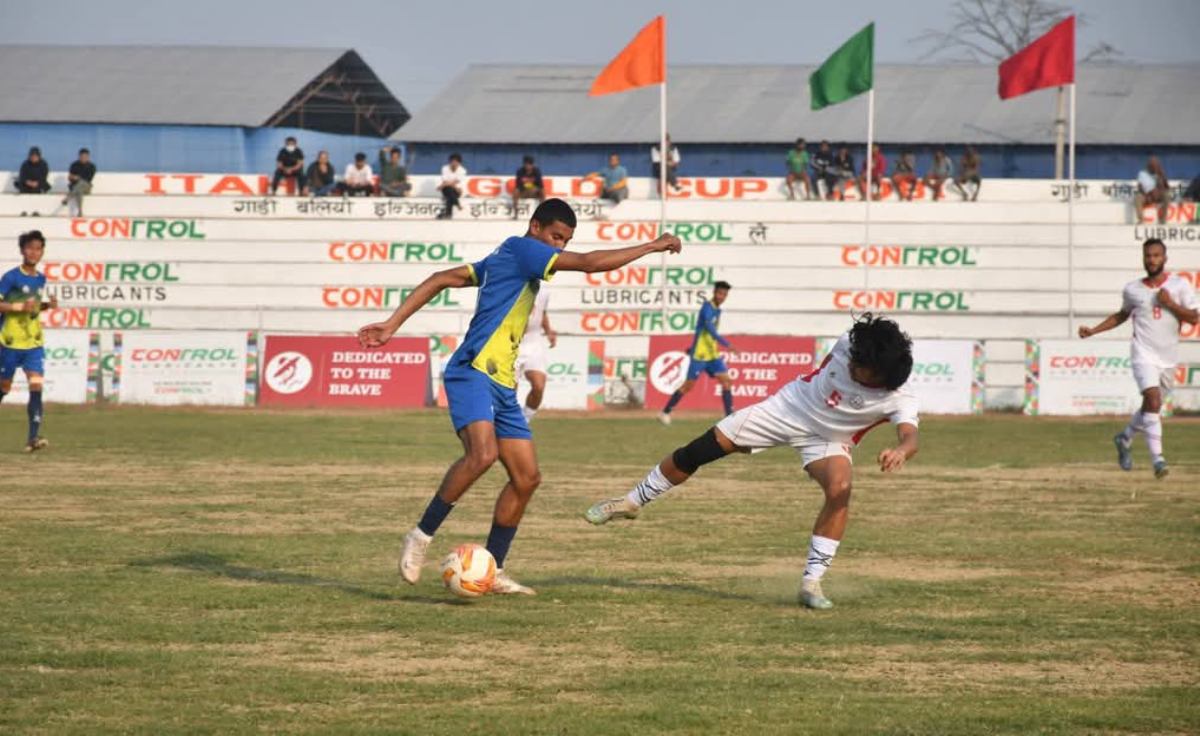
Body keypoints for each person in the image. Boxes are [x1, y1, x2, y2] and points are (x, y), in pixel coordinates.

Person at [357, 199, 682, 595]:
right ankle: (421, 536)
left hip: (502, 383)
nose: (559, 247)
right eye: (555, 237)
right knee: (482, 454)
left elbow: (442, 277)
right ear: (535, 227)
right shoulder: (525, 249)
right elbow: (591, 263)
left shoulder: (506, 256)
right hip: (472, 370)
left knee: (527, 478)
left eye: (565, 240)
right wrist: (652, 245)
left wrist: (392, 324)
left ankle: (492, 570)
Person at [586, 313, 920, 611]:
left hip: (828, 440)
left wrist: (901, 451)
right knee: (698, 451)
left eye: (858, 368)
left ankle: (811, 582)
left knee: (840, 489)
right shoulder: (853, 344)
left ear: (879, 376)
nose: (850, 363)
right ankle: (630, 501)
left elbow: (910, 436)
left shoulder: (898, 397)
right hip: (787, 408)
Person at [1078, 238, 1198, 479]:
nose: (1151, 260)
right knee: (1152, 398)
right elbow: (1121, 315)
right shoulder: (1133, 289)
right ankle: (1158, 461)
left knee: (1151, 407)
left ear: (1164, 258)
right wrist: (1093, 330)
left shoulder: (1179, 285)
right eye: (1147, 256)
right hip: (1142, 352)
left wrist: (1171, 304)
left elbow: (1194, 318)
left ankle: (1125, 438)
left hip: (1167, 357)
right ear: (1143, 258)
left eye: (1156, 255)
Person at [0, 230, 58, 453]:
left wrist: (47, 306)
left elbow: (32, 307)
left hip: (33, 342)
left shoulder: (41, 278)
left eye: (38, 248)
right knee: (4, 387)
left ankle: (33, 438)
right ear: (22, 250)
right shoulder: (11, 277)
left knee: (36, 385)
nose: (34, 252)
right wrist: (17, 307)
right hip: (9, 341)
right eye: (30, 248)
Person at [658, 281, 738, 425]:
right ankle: (665, 412)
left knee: (726, 381)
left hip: (712, 354)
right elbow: (708, 329)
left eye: (724, 294)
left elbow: (705, 332)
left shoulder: (718, 310)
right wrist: (727, 344)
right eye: (720, 293)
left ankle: (728, 417)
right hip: (699, 356)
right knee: (688, 386)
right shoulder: (706, 308)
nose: (722, 296)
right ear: (714, 292)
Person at [515, 285, 556, 422]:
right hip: (513, 343)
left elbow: (542, 313)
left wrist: (549, 331)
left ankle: (525, 420)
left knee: (539, 386)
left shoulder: (544, 290)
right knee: (509, 392)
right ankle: (507, 424)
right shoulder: (515, 286)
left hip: (534, 343)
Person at [1135, 156, 1171, 224]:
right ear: (1148, 166)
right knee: (1138, 198)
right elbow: (1140, 187)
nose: (1154, 167)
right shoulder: (1142, 173)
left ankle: (1163, 219)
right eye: (1152, 165)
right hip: (1147, 196)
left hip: (1158, 195)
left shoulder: (1160, 173)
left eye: (1156, 165)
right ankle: (1141, 219)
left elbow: (1167, 187)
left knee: (1167, 196)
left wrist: (1161, 176)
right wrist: (1147, 194)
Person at [63, 148, 96, 216]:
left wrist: (78, 178)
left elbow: (88, 179)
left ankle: (68, 198)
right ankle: (80, 212)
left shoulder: (92, 166)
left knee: (81, 183)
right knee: (79, 191)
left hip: (86, 187)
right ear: (79, 156)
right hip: (75, 187)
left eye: (85, 157)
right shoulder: (74, 165)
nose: (83, 158)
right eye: (82, 156)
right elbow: (70, 178)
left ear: (88, 157)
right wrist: (73, 178)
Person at [437, 153, 467, 219]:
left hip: (457, 191)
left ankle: (448, 214)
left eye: (456, 162)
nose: (454, 163)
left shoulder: (462, 170)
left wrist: (442, 185)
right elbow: (445, 180)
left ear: (459, 163)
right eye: (452, 162)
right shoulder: (445, 168)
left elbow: (456, 182)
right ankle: (457, 204)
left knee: (449, 196)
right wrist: (446, 185)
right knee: (449, 190)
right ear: (450, 162)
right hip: (446, 189)